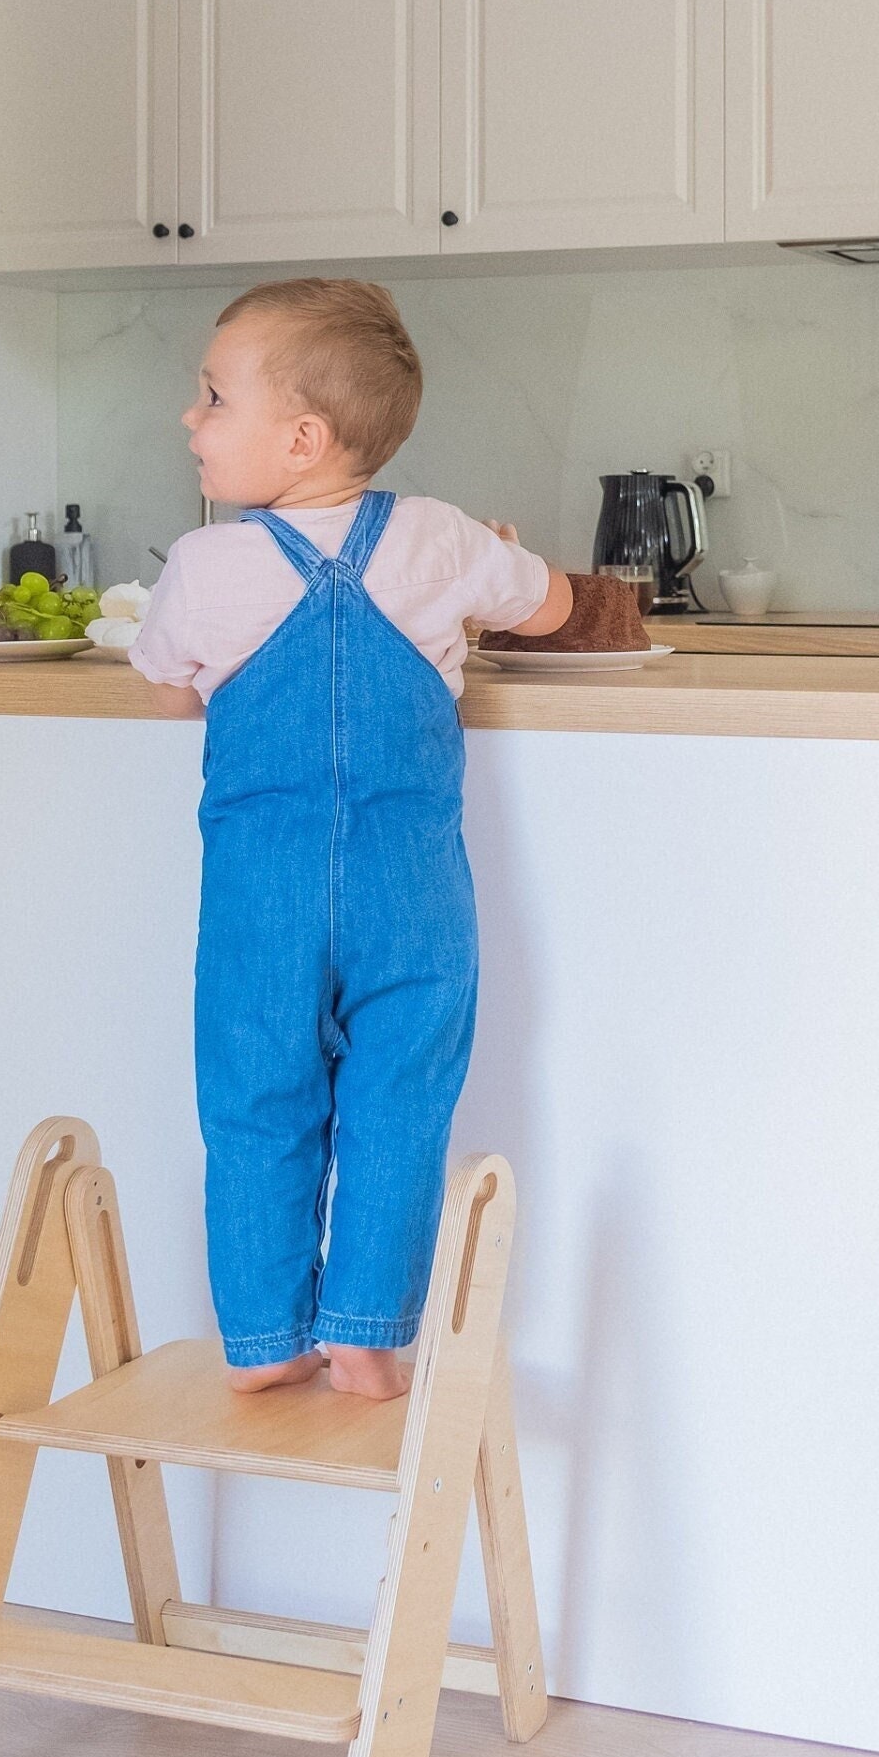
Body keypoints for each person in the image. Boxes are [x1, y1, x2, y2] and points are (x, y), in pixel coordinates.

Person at [131, 278, 572, 1399]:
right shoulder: (441, 538)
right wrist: (494, 567)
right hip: (412, 899)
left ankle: (265, 1341)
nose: (191, 418)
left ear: (301, 438)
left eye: (212, 397)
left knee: (256, 1105)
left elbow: (167, 691)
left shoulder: (201, 566)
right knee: (397, 1108)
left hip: (258, 903)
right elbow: (557, 609)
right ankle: (366, 1329)